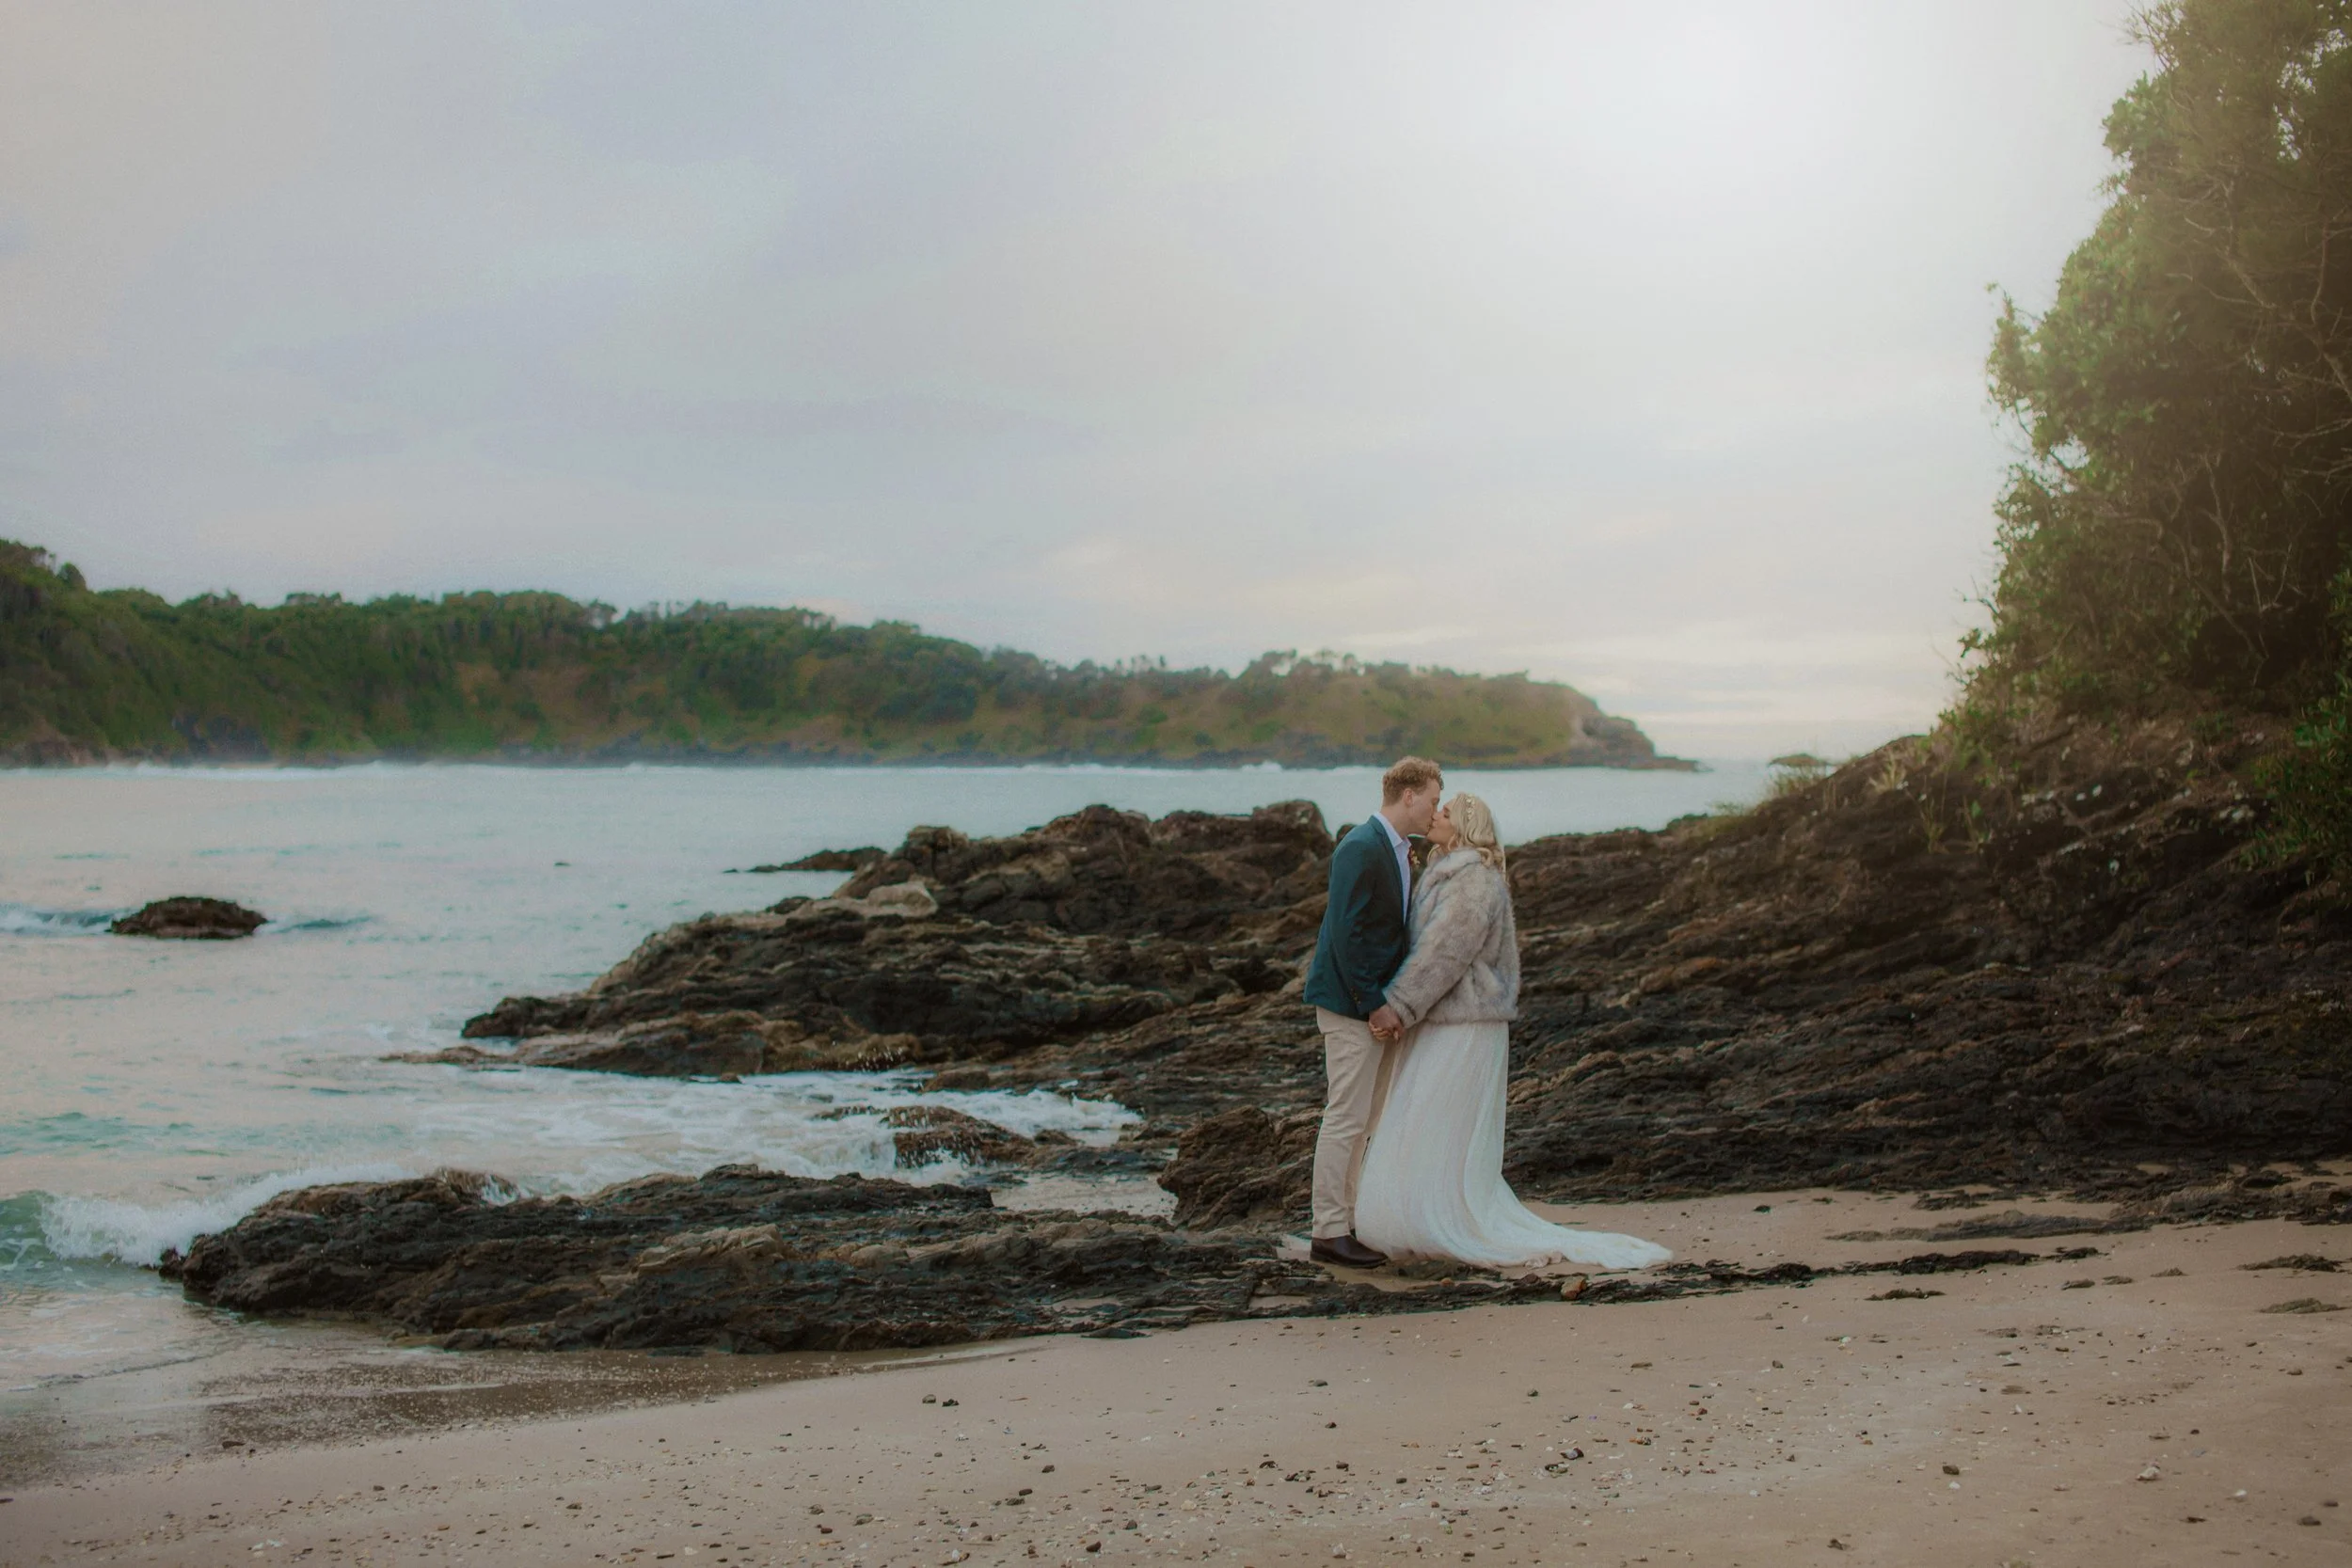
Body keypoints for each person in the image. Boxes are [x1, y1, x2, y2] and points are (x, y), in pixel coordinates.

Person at [1353, 792, 1671, 1272]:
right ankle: (1420, 1218)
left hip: (1464, 1024)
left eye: (1444, 811)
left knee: (1440, 1124)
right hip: (1444, 1020)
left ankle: (1439, 1222)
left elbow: (1445, 954)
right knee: (1427, 1122)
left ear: (1462, 825)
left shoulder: (1474, 882)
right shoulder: (1451, 873)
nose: (1434, 815)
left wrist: (1398, 1007)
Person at [1299, 755, 1443, 1267]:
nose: (1435, 810)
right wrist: (1374, 1005)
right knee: (1345, 1118)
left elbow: (1393, 935)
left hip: (1379, 1006)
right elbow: (1347, 934)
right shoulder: (1360, 847)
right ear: (1408, 795)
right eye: (1432, 799)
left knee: (1368, 1119)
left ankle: (1353, 1220)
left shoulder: (1402, 851)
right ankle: (1328, 1231)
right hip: (1350, 1006)